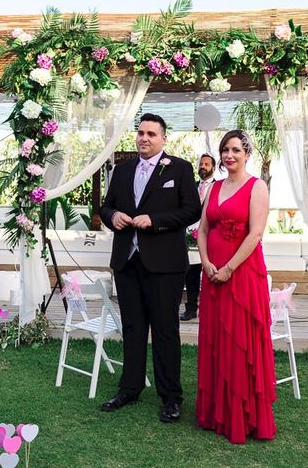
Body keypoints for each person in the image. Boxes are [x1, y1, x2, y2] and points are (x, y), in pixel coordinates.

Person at [99, 113, 201, 422]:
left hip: (164, 265)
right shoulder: (122, 170)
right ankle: (129, 389)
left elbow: (191, 211)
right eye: (141, 132)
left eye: (151, 134)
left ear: (163, 139)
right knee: (132, 329)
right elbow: (105, 206)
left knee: (165, 331)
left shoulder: (180, 169)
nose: (144, 138)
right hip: (127, 263)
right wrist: (112, 216)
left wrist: (155, 221)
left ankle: (171, 397)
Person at [195, 130, 276, 444]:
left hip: (241, 275)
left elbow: (255, 234)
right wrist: (205, 262)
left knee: (239, 341)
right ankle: (216, 411)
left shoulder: (257, 187)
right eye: (225, 150)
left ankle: (242, 416)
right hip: (212, 273)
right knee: (216, 340)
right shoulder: (214, 187)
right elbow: (202, 229)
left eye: (235, 150)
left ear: (247, 153)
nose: (229, 156)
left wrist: (229, 268)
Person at [180, 153, 216, 322]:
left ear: (213, 168)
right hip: (191, 236)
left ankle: (212, 311)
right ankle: (191, 308)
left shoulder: (219, 187)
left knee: (212, 275)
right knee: (192, 274)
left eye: (207, 164)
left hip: (212, 236)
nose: (203, 166)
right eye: (201, 163)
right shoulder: (192, 186)